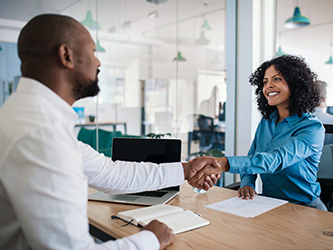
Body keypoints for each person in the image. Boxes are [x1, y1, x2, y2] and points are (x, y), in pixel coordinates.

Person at [0, 14, 222, 250]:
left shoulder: (24, 116)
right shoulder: (41, 135)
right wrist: (150, 239)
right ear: (66, 56)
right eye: (93, 51)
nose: (98, 62)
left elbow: (111, 173)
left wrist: (186, 169)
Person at [190, 55, 327, 211]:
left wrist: (223, 163)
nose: (268, 86)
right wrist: (247, 182)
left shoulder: (312, 128)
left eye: (277, 79)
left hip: (305, 208)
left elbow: (275, 160)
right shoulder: (267, 121)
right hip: (270, 204)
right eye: (265, 82)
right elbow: (253, 156)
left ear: (295, 84)